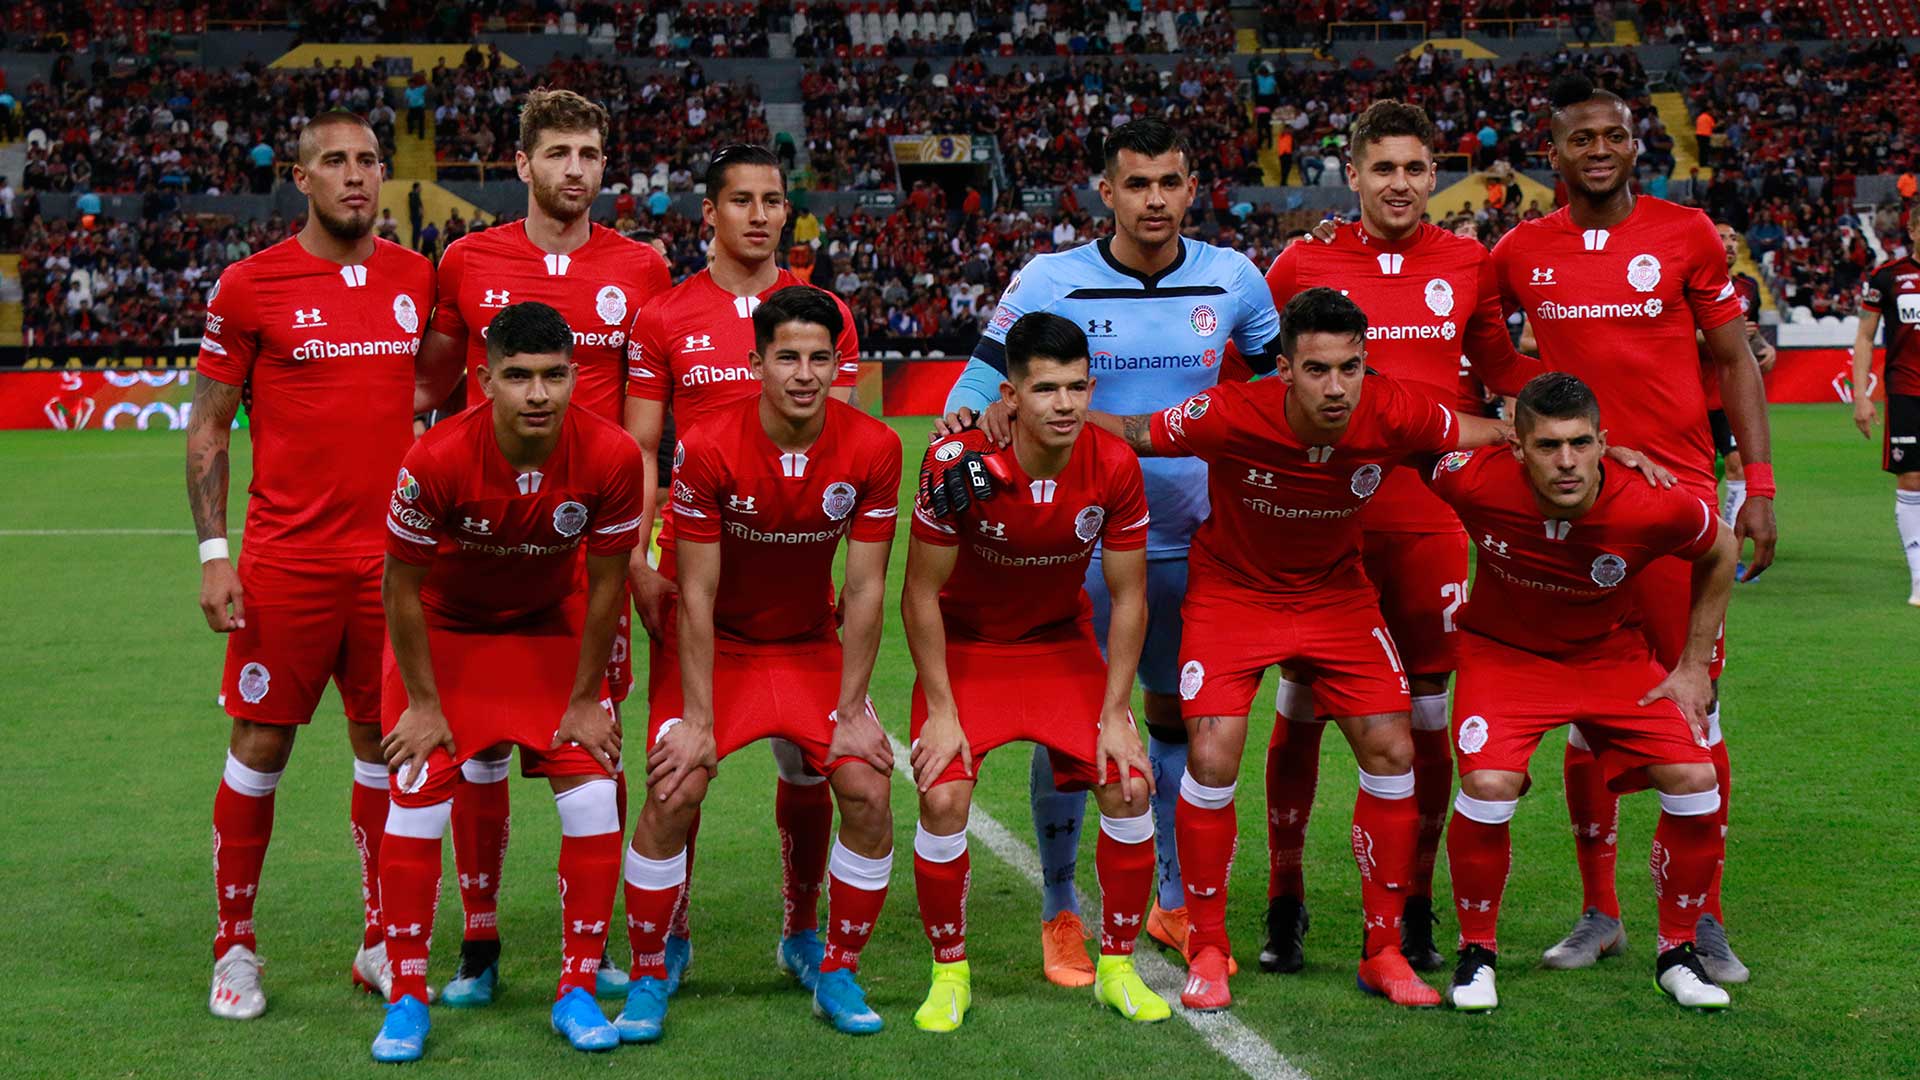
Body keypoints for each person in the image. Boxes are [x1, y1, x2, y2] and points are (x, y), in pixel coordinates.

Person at [1092, 287, 1514, 1011]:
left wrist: (1562, 440)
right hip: (1234, 594)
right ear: (1283, 368)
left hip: (1336, 596)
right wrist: (1032, 414)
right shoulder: (1228, 412)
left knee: (1392, 747)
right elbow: (1133, 429)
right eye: (1317, 370)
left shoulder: (1396, 409)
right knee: (1214, 752)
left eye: (1349, 368)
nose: (1336, 387)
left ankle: (1382, 950)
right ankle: (1211, 947)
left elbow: (1486, 433)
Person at [931, 117, 1282, 986]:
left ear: (1193, 186)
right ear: (1106, 192)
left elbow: (1278, 397)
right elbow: (979, 383)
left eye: (1170, 182)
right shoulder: (1053, 279)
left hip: (1200, 542)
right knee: (1073, 731)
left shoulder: (1234, 278)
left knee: (1168, 721)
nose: (1154, 200)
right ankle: (1060, 912)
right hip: (1078, 547)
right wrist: (963, 434)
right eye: (1137, 184)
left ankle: (1166, 898)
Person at [1491, 73, 1774, 983]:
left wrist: (1756, 484)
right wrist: (1508, 432)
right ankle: (1600, 911)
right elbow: (1483, 353)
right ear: (1556, 152)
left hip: (1680, 506)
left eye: (1614, 134)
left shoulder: (1686, 234)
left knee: (1696, 703)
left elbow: (1733, 361)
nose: (1600, 149)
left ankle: (1706, 920)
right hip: (1571, 511)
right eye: (1583, 138)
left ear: (1633, 144)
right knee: (1585, 712)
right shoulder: (1518, 251)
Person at [1255, 99, 1544, 977]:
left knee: (1426, 713)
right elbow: (1257, 376)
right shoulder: (1303, 263)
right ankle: (1285, 897)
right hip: (1323, 519)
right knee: (1302, 703)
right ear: (1353, 173)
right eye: (1384, 168)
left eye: (1417, 168)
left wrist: (1601, 397)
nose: (1402, 184)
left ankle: (1416, 903)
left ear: (1435, 174)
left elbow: (1504, 371)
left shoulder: (1468, 260)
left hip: (1427, 523)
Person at [411, 87, 672, 1006]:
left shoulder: (642, 268)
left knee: (591, 744)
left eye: (589, 155)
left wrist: (638, 548)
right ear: (522, 165)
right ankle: (478, 945)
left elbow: (646, 430)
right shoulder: (466, 261)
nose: (574, 171)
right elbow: (431, 394)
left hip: (587, 556)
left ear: (605, 166)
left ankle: (590, 948)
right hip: (479, 553)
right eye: (557, 153)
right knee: (475, 753)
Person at [187, 111, 435, 1020]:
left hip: (393, 568)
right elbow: (210, 423)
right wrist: (217, 556)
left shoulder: (419, 278)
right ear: (302, 178)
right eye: (335, 162)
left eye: (369, 161)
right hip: (286, 563)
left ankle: (378, 942)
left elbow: (445, 386)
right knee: (261, 747)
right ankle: (235, 948)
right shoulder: (252, 286)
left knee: (386, 748)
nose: (357, 177)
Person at [616, 288, 904, 1042]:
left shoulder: (875, 447)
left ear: (840, 363)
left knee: (868, 787)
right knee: (675, 785)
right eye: (787, 358)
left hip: (809, 646)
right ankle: (650, 969)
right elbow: (698, 591)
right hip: (718, 645)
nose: (804, 374)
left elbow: (868, 587)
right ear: (757, 363)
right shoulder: (708, 445)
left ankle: (832, 966)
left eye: (819, 358)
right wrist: (699, 722)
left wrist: (851, 711)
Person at [371, 301, 646, 1061]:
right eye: (518, 377)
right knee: (418, 794)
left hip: (545, 631)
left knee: (592, 790)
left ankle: (578, 988)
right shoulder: (435, 459)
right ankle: (405, 996)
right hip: (447, 635)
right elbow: (399, 589)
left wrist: (588, 699)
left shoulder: (614, 456)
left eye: (553, 376)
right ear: (484, 378)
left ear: (574, 376)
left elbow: (606, 583)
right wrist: (424, 705)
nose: (537, 394)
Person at [622, 143, 862, 996]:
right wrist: (636, 566)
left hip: (797, 582)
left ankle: (802, 929)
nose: (761, 216)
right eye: (743, 201)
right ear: (709, 215)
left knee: (811, 764)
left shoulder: (825, 311)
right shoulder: (664, 317)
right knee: (677, 768)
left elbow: (851, 451)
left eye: (773, 200)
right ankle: (671, 932)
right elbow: (640, 452)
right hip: (693, 578)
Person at [1429, 372, 1738, 1013]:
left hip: (1609, 657)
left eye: (1580, 443)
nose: (1566, 461)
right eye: (1547, 445)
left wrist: (1692, 666)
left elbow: (1721, 549)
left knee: (1694, 776)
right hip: (1505, 656)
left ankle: (1677, 953)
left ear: (1606, 442)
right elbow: (1408, 439)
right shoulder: (1472, 478)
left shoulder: (1651, 500)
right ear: (1517, 448)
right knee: (1488, 786)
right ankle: (1475, 955)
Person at [902, 313, 1166, 1031]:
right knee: (945, 798)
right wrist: (941, 709)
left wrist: (1116, 712)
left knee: (1130, 782)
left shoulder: (1113, 464)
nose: (1065, 405)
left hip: (1059, 646)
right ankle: (948, 974)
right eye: (1045, 389)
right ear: (1010, 396)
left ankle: (1116, 967)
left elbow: (1131, 596)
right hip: (970, 650)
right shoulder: (958, 463)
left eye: (1077, 387)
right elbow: (919, 592)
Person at [1851, 207, 1920, 606]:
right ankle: (1917, 575)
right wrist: (1861, 395)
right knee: (1911, 479)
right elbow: (1864, 336)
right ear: (1911, 230)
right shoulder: (1889, 277)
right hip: (1907, 392)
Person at [1702, 221, 1773, 533]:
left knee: (1737, 465)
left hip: (1728, 393)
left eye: (1733, 238)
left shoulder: (1747, 288)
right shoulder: (1689, 284)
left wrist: (1765, 348)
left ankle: (1730, 545)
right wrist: (1724, 334)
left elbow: (1749, 334)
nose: (1729, 244)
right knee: (1693, 472)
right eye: (1721, 238)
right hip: (1691, 392)